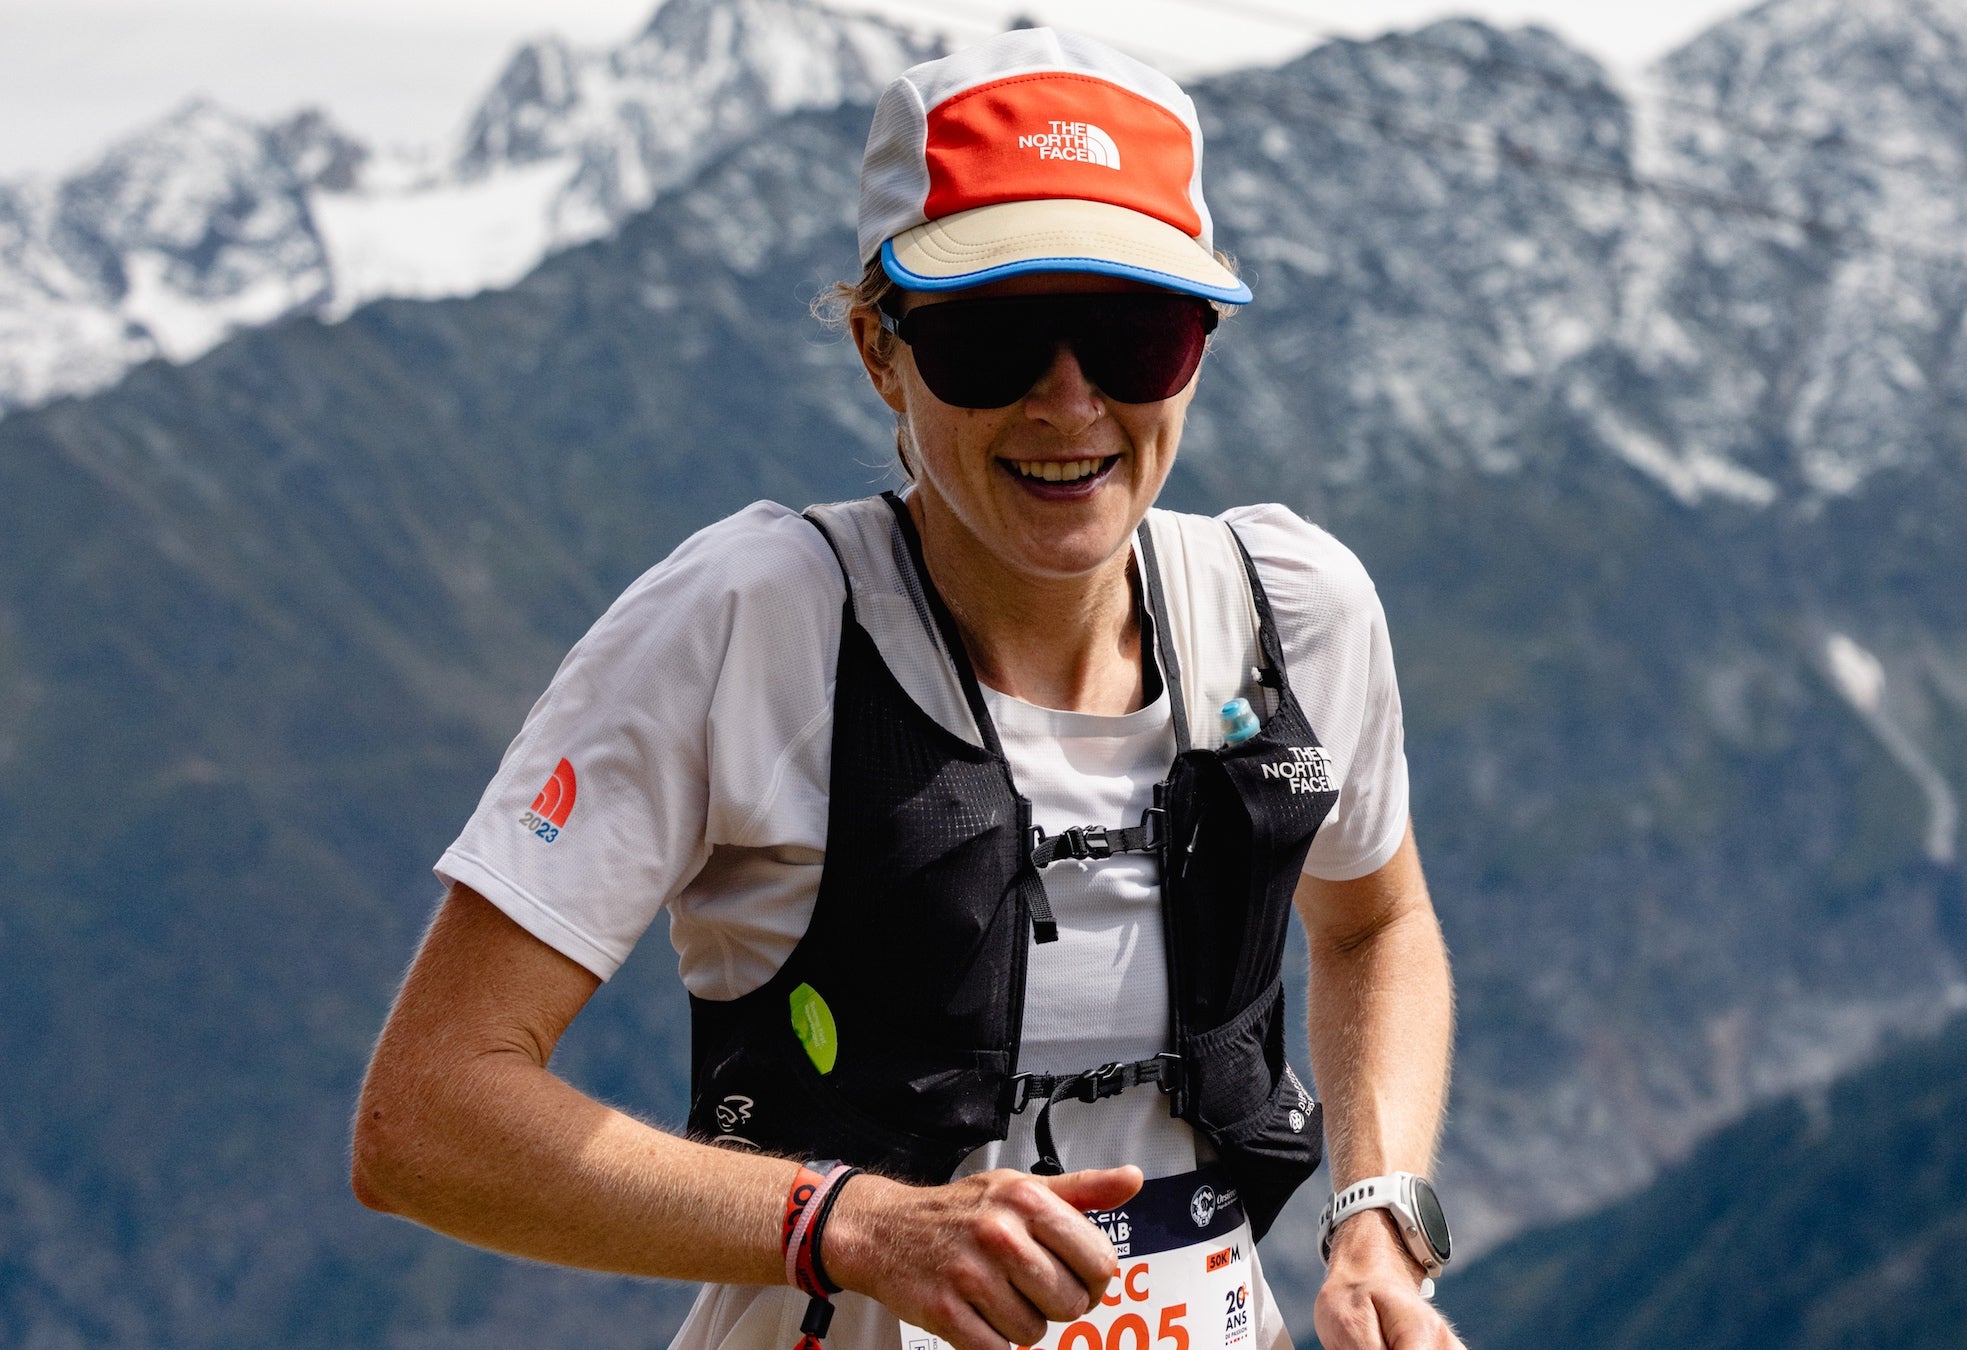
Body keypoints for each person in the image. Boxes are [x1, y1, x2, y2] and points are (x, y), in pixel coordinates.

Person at [352, 28, 1461, 1350]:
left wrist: (1378, 1216)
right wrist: (854, 1225)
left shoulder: (1294, 614)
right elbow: (426, 1116)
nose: (1070, 400)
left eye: (1131, 333)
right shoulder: (747, 623)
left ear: (1201, 348)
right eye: (992, 341)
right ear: (881, 351)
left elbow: (1375, 920)